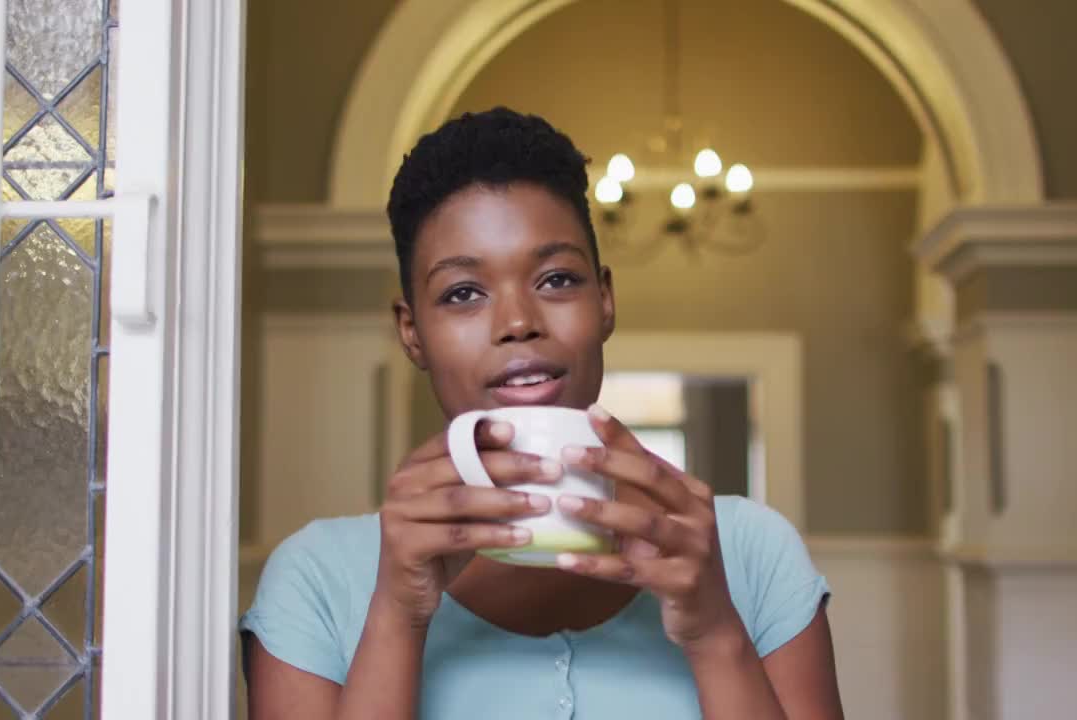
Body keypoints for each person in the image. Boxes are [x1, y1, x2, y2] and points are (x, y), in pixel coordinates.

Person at [241, 107, 845, 719]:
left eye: (557, 279)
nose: (519, 323)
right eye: (462, 293)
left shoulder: (750, 553)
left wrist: (717, 635)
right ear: (412, 331)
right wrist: (397, 614)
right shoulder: (316, 580)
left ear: (605, 301)